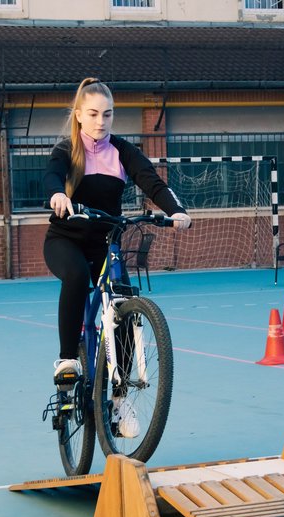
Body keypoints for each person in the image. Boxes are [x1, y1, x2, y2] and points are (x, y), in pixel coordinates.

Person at [43, 77, 191, 437]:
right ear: (79, 115)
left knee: (124, 305)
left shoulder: (123, 151)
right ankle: (67, 359)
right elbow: (52, 175)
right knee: (76, 276)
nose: (100, 121)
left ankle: (120, 399)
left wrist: (176, 210)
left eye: (107, 114)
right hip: (65, 240)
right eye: (93, 114)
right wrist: (57, 195)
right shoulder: (67, 149)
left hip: (105, 243)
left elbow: (152, 182)